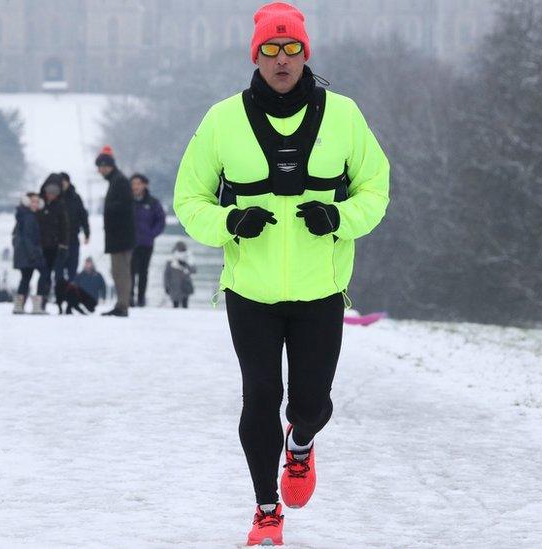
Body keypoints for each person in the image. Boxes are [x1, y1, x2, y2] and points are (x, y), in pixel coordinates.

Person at [172, 3, 390, 544]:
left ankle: (302, 445)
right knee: (259, 397)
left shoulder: (343, 115)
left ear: (305, 53)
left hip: (321, 288)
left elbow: (376, 189)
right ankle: (266, 510)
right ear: (256, 56)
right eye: (270, 49)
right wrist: (230, 222)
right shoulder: (222, 120)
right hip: (252, 290)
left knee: (311, 402)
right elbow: (188, 199)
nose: (282, 60)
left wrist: (339, 216)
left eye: (291, 48)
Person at [95, 145, 135, 317]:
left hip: (121, 237)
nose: (100, 171)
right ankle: (121, 303)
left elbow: (125, 206)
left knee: (121, 272)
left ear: (108, 166)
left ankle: (122, 305)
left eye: (102, 167)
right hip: (118, 236)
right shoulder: (116, 180)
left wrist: (109, 208)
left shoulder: (119, 181)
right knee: (118, 271)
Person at [129, 173, 167, 307]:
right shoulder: (127, 201)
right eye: (133, 184)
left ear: (145, 185)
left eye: (138, 184)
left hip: (146, 243)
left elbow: (161, 221)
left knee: (143, 271)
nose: (135, 187)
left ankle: (141, 298)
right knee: (130, 270)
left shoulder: (153, 202)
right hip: (130, 243)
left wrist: (152, 234)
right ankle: (129, 298)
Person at [36, 174, 71, 312]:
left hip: (55, 247)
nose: (51, 195)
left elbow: (65, 227)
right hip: (40, 246)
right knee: (43, 275)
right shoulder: (38, 204)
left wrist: (64, 244)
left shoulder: (61, 206)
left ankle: (56, 301)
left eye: (54, 193)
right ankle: (40, 302)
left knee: (55, 276)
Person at [11, 192, 46, 314]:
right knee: (43, 274)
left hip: (24, 253)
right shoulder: (29, 217)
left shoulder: (24, 215)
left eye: (37, 202)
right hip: (29, 253)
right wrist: (34, 254)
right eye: (33, 201)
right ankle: (37, 305)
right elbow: (28, 237)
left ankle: (19, 305)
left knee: (26, 278)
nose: (35, 204)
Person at [59, 172, 90, 281]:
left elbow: (83, 215)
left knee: (73, 266)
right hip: (58, 239)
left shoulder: (75, 198)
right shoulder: (55, 198)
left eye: (64, 182)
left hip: (73, 237)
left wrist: (87, 232)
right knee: (59, 269)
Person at [163, 241, 196, 309]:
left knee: (184, 305)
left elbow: (194, 271)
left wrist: (185, 265)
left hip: (185, 287)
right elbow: (166, 275)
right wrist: (166, 286)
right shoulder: (171, 260)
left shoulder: (189, 259)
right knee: (176, 305)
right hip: (174, 287)